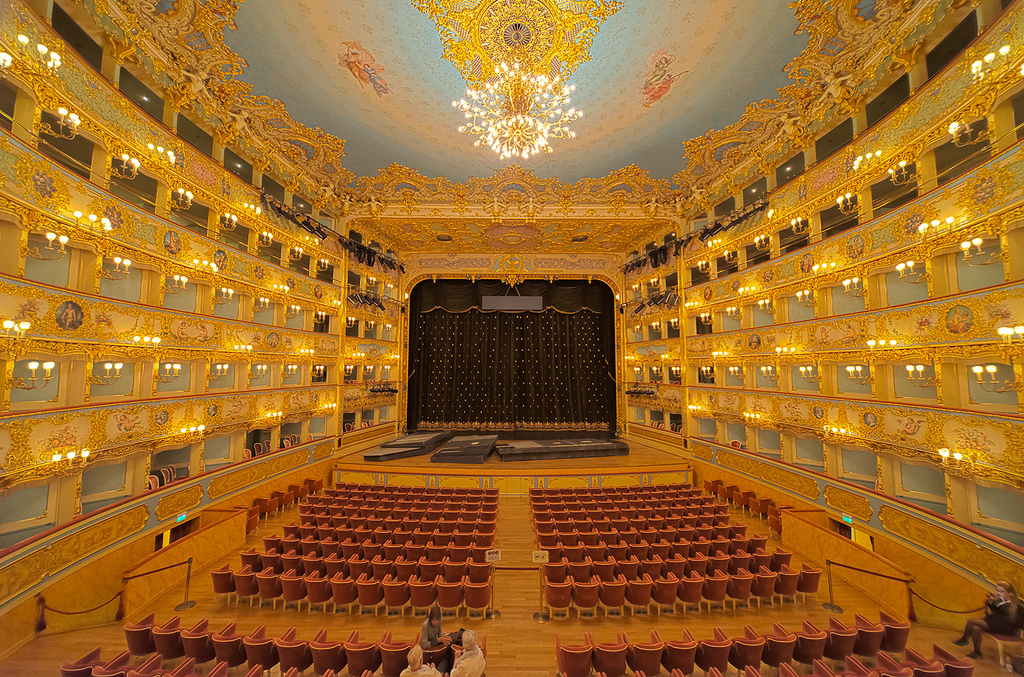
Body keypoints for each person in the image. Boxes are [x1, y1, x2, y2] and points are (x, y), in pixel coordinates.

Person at [953, 581, 1020, 658]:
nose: (998, 593)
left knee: (971, 621)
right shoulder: (1001, 601)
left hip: (1004, 627)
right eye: (998, 591)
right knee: (976, 628)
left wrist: (992, 604)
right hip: (996, 623)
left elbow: (1005, 615)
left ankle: (964, 639)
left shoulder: (1014, 605)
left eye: (1001, 591)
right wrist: (990, 603)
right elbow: (996, 613)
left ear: (1010, 594)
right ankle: (977, 652)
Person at [421, 606, 452, 674]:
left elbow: (439, 633)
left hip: (435, 642)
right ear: (430, 618)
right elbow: (424, 644)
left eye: (437, 620)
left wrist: (444, 636)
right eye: (433, 620)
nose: (435, 622)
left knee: (450, 641)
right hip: (430, 648)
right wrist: (438, 640)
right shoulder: (425, 625)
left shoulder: (438, 621)